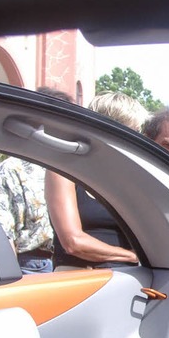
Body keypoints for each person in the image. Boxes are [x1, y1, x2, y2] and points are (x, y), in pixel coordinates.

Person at [45, 91, 148, 270]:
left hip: (128, 279)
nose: (134, 141)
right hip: (82, 282)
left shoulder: (127, 176)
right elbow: (73, 242)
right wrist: (132, 256)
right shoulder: (63, 170)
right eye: (130, 133)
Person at [0, 86, 73, 273]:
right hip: (32, 265)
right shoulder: (13, 169)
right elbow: (4, 233)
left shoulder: (72, 167)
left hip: (70, 262)